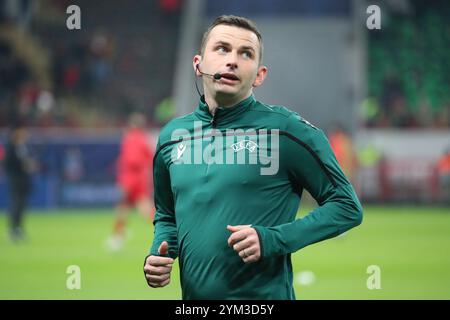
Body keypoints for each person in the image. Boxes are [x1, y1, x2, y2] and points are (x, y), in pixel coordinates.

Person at [143, 15, 363, 299]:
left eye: (245, 54)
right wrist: (158, 254)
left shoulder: (286, 131)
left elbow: (346, 206)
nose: (232, 60)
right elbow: (167, 215)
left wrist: (273, 239)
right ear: (198, 64)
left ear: (259, 75)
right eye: (222, 48)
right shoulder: (171, 137)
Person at [108, 112, 155, 251]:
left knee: (123, 206)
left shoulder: (129, 138)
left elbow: (127, 160)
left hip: (130, 177)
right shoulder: (144, 139)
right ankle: (118, 235)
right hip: (139, 177)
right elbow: (150, 159)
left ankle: (118, 235)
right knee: (142, 208)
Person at [2, 124, 34, 243]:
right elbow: (7, 164)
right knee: (16, 204)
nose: (25, 134)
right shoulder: (11, 148)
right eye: (22, 132)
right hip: (16, 180)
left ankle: (19, 228)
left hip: (24, 180)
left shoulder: (23, 147)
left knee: (21, 205)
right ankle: (12, 229)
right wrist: (21, 167)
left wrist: (29, 166)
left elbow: (26, 161)